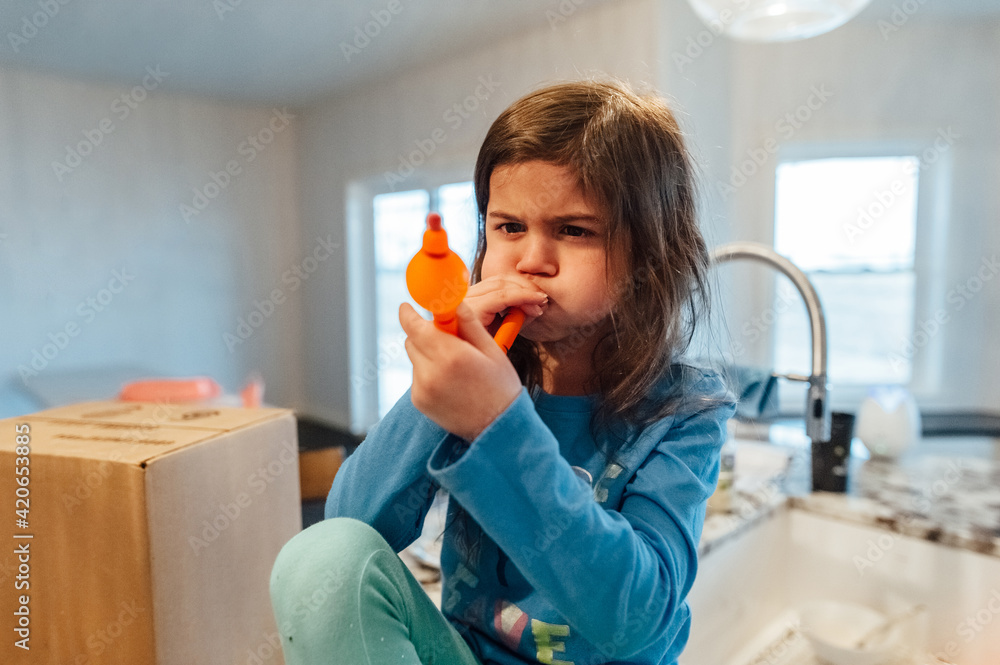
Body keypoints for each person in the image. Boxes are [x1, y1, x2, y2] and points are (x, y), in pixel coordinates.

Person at [269, 79, 736, 665]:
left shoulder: (685, 410)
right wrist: (430, 403)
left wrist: (499, 427)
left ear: (649, 255)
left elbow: (636, 622)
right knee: (321, 559)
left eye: (574, 230)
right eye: (508, 227)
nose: (531, 259)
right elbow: (349, 526)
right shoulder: (487, 368)